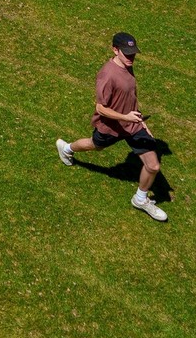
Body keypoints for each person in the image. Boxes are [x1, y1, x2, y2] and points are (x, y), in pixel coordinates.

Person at [56, 33, 169, 222]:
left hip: (132, 125)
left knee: (153, 165)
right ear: (114, 50)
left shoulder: (127, 66)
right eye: (127, 53)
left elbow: (130, 96)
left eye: (133, 53)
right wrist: (125, 117)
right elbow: (100, 108)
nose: (131, 57)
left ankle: (140, 199)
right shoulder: (107, 75)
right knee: (96, 145)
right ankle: (66, 148)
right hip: (112, 126)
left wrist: (141, 121)